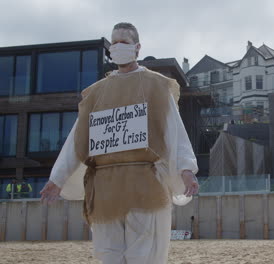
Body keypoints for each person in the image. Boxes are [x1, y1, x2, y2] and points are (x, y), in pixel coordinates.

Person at [40, 22, 199, 264]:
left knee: (144, 254)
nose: (117, 47)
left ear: (137, 47)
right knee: (108, 255)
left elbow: (173, 129)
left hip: (144, 183)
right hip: (105, 187)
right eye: (114, 43)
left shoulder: (155, 85)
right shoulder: (96, 93)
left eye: (123, 42)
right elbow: (77, 139)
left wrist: (186, 169)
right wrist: (57, 178)